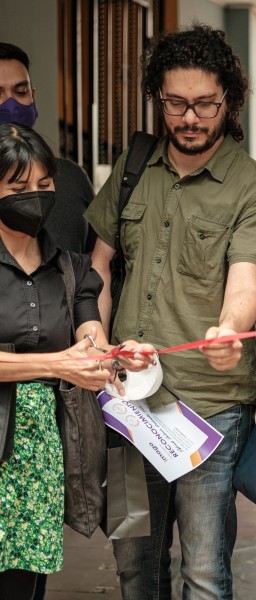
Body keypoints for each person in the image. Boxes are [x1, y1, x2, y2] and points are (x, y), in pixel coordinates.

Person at [84, 23, 256, 599]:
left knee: (204, 571)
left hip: (210, 404)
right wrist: (96, 337)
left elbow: (245, 282)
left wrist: (230, 330)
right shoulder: (132, 168)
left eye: (204, 104)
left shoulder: (253, 188)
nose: (189, 118)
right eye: (175, 103)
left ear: (229, 101)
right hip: (129, 399)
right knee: (134, 566)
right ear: (158, 98)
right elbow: (98, 263)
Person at [0, 123, 155, 600]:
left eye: (45, 185)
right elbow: (65, 362)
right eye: (18, 187)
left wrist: (116, 355)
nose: (35, 196)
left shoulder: (71, 268)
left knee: (23, 584)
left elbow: (90, 338)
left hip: (38, 451)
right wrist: (57, 365)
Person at [0, 42, 96, 254]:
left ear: (33, 95)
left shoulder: (71, 177)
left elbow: (94, 261)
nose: (11, 105)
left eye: (21, 92)